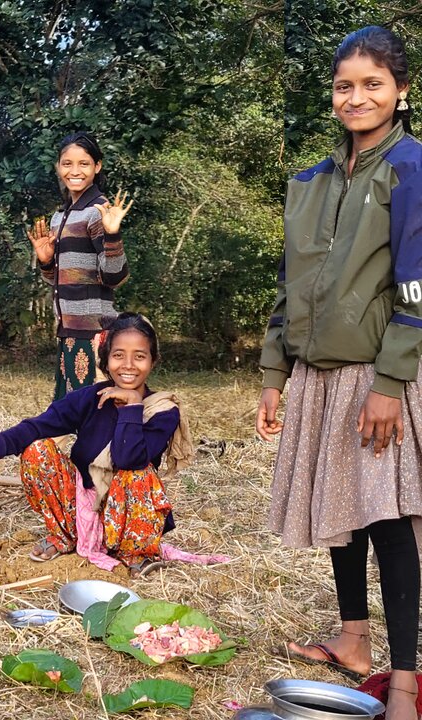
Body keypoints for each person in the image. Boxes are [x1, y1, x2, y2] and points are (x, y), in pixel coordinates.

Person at [259, 25, 421, 719]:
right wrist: (274, 371)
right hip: (320, 376)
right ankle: (353, 642)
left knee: (388, 518)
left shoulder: (410, 168)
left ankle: (408, 680)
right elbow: (289, 281)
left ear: (402, 91)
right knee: (339, 512)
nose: (356, 97)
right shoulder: (312, 182)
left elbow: (418, 283)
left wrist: (390, 383)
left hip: (380, 370)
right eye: (344, 86)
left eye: (372, 84)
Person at [0, 313, 205, 577]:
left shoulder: (163, 411)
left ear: (153, 361)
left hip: (126, 516)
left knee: (139, 472)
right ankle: (67, 535)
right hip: (82, 505)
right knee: (37, 450)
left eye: (140, 356)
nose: (128, 365)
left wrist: (133, 405)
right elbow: (34, 428)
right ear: (106, 359)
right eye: (119, 355)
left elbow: (128, 458)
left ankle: (136, 552)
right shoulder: (90, 398)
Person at [25, 132, 134, 401]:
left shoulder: (99, 211)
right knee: (68, 406)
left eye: (84, 164)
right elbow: (56, 281)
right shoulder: (60, 216)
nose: (75, 171)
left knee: (92, 407)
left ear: (97, 167)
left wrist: (112, 235)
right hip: (68, 329)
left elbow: (114, 277)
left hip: (94, 331)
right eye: (67, 164)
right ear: (58, 167)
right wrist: (46, 260)